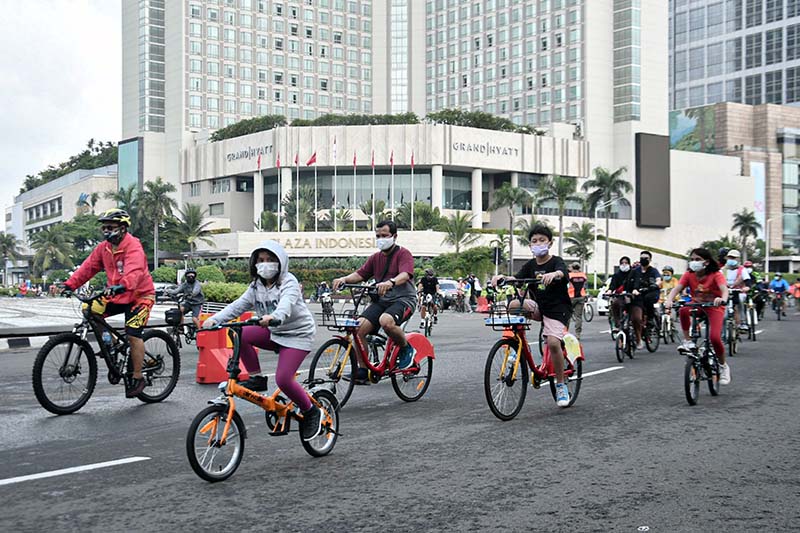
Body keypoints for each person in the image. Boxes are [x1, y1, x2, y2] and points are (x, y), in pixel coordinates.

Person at [202, 240, 322, 441]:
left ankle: (310, 411)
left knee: (283, 379)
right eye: (261, 260)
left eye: (270, 260)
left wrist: (275, 317)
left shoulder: (288, 282)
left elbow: (286, 304)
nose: (265, 264)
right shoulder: (256, 286)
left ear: (280, 262)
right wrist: (214, 319)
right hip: (273, 331)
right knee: (241, 333)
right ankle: (256, 378)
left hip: (296, 335)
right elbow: (238, 305)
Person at [62, 209, 155, 398]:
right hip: (116, 294)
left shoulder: (133, 246)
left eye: (110, 227)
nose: (106, 231)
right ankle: (110, 344)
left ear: (122, 228)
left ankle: (138, 377)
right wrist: (69, 285)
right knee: (90, 309)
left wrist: (123, 285)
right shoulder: (103, 248)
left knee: (133, 334)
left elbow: (135, 271)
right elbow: (88, 268)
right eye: (104, 227)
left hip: (140, 295)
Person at [493, 224, 572, 407]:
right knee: (513, 305)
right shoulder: (530, 265)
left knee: (553, 343)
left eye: (542, 240)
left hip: (558, 310)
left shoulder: (556, 261)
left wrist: (555, 274)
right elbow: (517, 279)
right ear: (530, 246)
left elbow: (563, 272)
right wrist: (503, 278)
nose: (538, 244)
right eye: (534, 241)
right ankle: (518, 344)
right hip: (539, 306)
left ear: (550, 243)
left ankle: (560, 385)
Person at [333, 220, 417, 384]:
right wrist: (343, 279)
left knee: (386, 321)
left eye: (384, 235)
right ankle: (363, 369)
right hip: (382, 301)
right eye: (378, 235)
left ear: (394, 236)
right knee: (358, 329)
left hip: (404, 300)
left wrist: (390, 282)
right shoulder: (375, 258)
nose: (380, 239)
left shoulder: (403, 254)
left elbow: (406, 274)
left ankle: (406, 348)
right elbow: (360, 274)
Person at [665, 248, 731, 385]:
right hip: (697, 305)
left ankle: (723, 366)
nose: (694, 262)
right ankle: (688, 341)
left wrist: (722, 299)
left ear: (706, 262)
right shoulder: (689, 274)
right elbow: (676, 289)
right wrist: (669, 300)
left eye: (697, 260)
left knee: (714, 338)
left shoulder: (716, 274)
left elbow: (724, 290)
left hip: (714, 306)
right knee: (683, 309)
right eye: (692, 259)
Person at [630, 251, 662, 349]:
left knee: (648, 299)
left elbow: (659, 280)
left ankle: (651, 319)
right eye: (642, 257)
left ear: (650, 260)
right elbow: (629, 280)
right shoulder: (636, 271)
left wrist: (655, 285)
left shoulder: (653, 271)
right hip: (639, 293)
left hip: (651, 292)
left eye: (646, 258)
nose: (643, 259)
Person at [605, 256, 637, 333]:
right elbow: (613, 285)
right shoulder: (617, 275)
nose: (624, 264)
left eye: (626, 263)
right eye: (622, 263)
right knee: (615, 304)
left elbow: (637, 284)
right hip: (621, 296)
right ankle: (617, 324)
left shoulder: (634, 273)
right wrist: (609, 291)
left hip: (632, 296)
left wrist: (635, 291)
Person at [723, 250, 750, 330]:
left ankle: (742, 322)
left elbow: (747, 281)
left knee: (741, 301)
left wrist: (746, 287)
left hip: (738, 291)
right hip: (725, 291)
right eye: (730, 257)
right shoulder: (722, 270)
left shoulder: (742, 270)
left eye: (734, 258)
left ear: (738, 259)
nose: (731, 259)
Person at [567, 263, 587, 340]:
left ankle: (565, 332)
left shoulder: (570, 275)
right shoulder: (583, 275)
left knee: (568, 315)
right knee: (578, 316)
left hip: (571, 296)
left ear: (572, 268)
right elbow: (584, 285)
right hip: (581, 296)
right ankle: (578, 334)